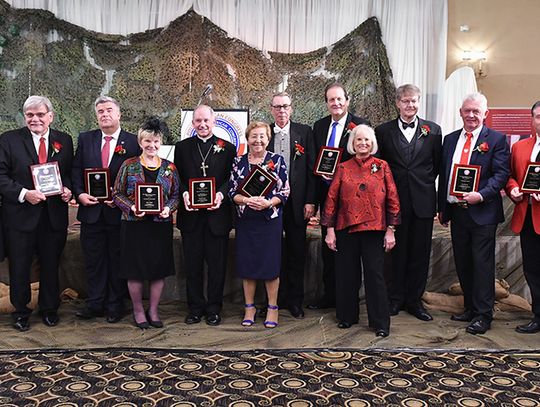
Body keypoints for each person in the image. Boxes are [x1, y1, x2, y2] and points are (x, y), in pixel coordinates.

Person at [438, 92, 510, 335]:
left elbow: (501, 175)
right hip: (457, 212)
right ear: (460, 112)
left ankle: (483, 314)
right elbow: (444, 175)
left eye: (476, 111)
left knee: (482, 265)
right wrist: (443, 208)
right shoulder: (449, 140)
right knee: (464, 263)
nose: (471, 115)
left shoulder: (497, 140)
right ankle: (469, 307)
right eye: (467, 110)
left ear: (485, 114)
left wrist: (481, 194)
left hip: (483, 212)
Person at [0, 95, 73, 331]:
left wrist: (68, 190)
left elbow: (69, 173)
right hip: (20, 216)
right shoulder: (8, 140)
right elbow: (1, 177)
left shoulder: (65, 140)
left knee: (51, 264)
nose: (35, 119)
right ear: (25, 117)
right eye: (30, 115)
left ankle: (50, 309)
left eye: (40, 114)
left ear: (50, 116)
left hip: (53, 217)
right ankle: (20, 312)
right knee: (19, 266)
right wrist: (24, 193)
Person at [321, 124, 400, 337]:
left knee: (375, 276)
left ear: (372, 143)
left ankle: (380, 322)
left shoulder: (382, 166)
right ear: (352, 144)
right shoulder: (343, 168)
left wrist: (391, 230)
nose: (362, 143)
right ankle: (346, 316)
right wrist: (329, 230)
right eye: (358, 140)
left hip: (375, 229)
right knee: (347, 274)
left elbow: (393, 198)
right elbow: (331, 201)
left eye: (366, 140)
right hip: (345, 229)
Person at [375, 84, 442, 321]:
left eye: (414, 101)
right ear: (397, 103)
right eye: (405, 101)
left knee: (419, 253)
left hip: (423, 202)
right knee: (394, 253)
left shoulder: (433, 130)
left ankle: (415, 301)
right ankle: (395, 299)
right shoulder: (383, 131)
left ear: (418, 102)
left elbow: (436, 168)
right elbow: (379, 169)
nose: (410, 105)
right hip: (393, 204)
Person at [72, 96, 140, 323]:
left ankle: (115, 304)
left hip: (118, 213)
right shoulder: (86, 139)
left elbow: (140, 177)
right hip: (91, 212)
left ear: (119, 114)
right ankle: (94, 303)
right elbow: (76, 170)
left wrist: (124, 199)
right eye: (100, 111)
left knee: (117, 259)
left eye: (109, 110)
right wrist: (79, 194)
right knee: (93, 259)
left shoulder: (133, 142)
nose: (104, 114)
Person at [112, 117, 180, 329]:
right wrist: (131, 207)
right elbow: (117, 194)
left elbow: (176, 194)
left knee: (158, 269)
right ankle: (138, 310)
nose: (152, 146)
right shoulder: (128, 165)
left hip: (160, 225)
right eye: (147, 141)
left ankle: (153, 309)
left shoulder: (170, 168)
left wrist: (170, 207)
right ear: (140, 142)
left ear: (161, 143)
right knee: (135, 270)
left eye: (156, 142)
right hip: (134, 225)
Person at [174, 105, 236, 326]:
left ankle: (214, 308)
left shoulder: (228, 148)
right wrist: (184, 194)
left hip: (217, 217)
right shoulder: (181, 147)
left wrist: (220, 193)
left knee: (217, 266)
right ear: (193, 123)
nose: (202, 125)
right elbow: (177, 177)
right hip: (190, 216)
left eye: (206, 121)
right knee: (192, 265)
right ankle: (195, 308)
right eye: (198, 121)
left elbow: (232, 179)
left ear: (214, 122)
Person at [309, 82, 369, 310]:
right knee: (329, 247)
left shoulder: (361, 125)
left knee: (351, 251)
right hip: (327, 198)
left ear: (347, 100)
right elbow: (314, 164)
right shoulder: (319, 126)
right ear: (326, 103)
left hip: (353, 199)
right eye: (331, 100)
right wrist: (314, 201)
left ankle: (348, 300)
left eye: (339, 99)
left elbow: (368, 161)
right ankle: (329, 296)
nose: (335, 103)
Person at [229, 122, 290, 328]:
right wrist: (246, 200)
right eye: (254, 136)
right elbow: (231, 192)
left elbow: (284, 192)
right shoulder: (238, 162)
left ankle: (272, 308)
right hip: (246, 221)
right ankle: (250, 307)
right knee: (248, 264)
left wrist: (268, 202)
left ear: (268, 138)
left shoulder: (277, 161)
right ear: (248, 138)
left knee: (270, 265)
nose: (258, 140)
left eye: (262, 136)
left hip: (268, 221)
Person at [268, 92, 315, 319]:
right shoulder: (264, 133)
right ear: (271, 110)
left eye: (285, 106)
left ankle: (295, 300)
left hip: (298, 205)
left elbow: (311, 171)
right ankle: (272, 301)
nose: (281, 111)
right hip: (270, 205)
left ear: (292, 108)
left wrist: (310, 200)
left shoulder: (305, 133)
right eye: (277, 107)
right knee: (272, 252)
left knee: (296, 252)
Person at [505, 100, 540, 334]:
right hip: (527, 216)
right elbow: (510, 177)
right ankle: (538, 316)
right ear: (532, 119)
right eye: (538, 116)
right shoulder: (520, 147)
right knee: (533, 269)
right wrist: (514, 189)